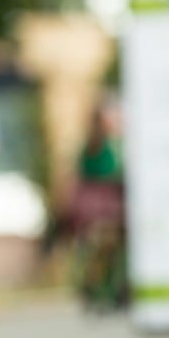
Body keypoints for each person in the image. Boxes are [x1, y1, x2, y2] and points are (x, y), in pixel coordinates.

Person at [68, 95, 127, 312]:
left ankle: (100, 290)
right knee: (105, 250)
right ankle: (104, 290)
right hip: (104, 207)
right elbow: (109, 174)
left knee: (100, 252)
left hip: (95, 209)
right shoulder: (103, 146)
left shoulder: (93, 145)